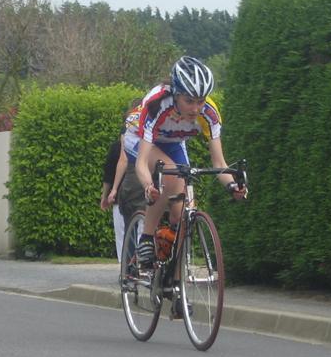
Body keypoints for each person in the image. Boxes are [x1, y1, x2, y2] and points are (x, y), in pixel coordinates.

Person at [130, 56, 246, 282]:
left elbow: (219, 163)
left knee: (184, 213)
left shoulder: (209, 114)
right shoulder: (157, 104)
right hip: (142, 141)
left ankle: (175, 284)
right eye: (189, 101)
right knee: (172, 173)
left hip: (173, 144)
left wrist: (232, 186)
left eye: (201, 101)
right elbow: (141, 163)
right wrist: (148, 186)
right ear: (176, 93)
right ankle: (145, 238)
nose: (195, 108)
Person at [102, 99, 146, 262]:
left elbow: (122, 161)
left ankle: (130, 267)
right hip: (135, 185)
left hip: (133, 185)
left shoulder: (122, 142)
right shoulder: (118, 146)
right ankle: (133, 265)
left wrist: (112, 191)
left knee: (131, 229)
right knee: (135, 228)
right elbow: (119, 163)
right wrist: (112, 191)